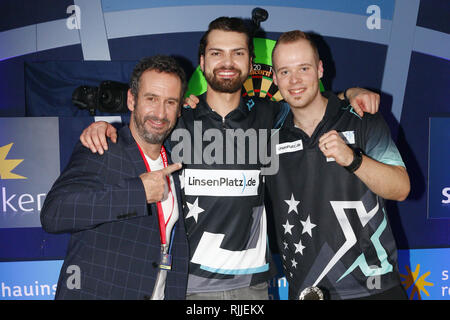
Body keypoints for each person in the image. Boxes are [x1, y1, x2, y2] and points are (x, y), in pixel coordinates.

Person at [79, 17, 381, 300]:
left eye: (237, 53)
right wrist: (107, 128)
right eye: (216, 53)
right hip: (185, 285)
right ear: (202, 62)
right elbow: (141, 132)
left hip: (253, 288)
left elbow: (311, 101)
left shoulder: (272, 115)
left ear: (251, 62)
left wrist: (350, 93)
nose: (226, 62)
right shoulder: (177, 119)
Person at [265, 30, 410, 300]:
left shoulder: (361, 118)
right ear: (274, 78)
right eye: (284, 72)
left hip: (376, 289)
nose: (294, 80)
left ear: (320, 69)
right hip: (308, 293)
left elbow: (401, 188)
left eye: (304, 68)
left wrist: (353, 160)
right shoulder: (268, 131)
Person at [40, 55, 189, 300]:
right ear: (132, 99)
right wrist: (138, 192)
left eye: (170, 102)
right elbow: (54, 214)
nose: (160, 113)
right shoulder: (102, 147)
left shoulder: (175, 159)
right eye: (151, 99)